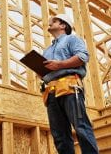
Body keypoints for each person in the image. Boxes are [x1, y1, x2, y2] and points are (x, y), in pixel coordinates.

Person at [41, 13, 99, 154]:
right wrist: (40, 71)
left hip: (70, 87)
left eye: (54, 21)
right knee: (59, 135)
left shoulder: (71, 40)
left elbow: (82, 57)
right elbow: (45, 72)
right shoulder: (47, 50)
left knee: (81, 127)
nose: (50, 23)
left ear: (63, 25)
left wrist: (59, 64)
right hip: (51, 93)